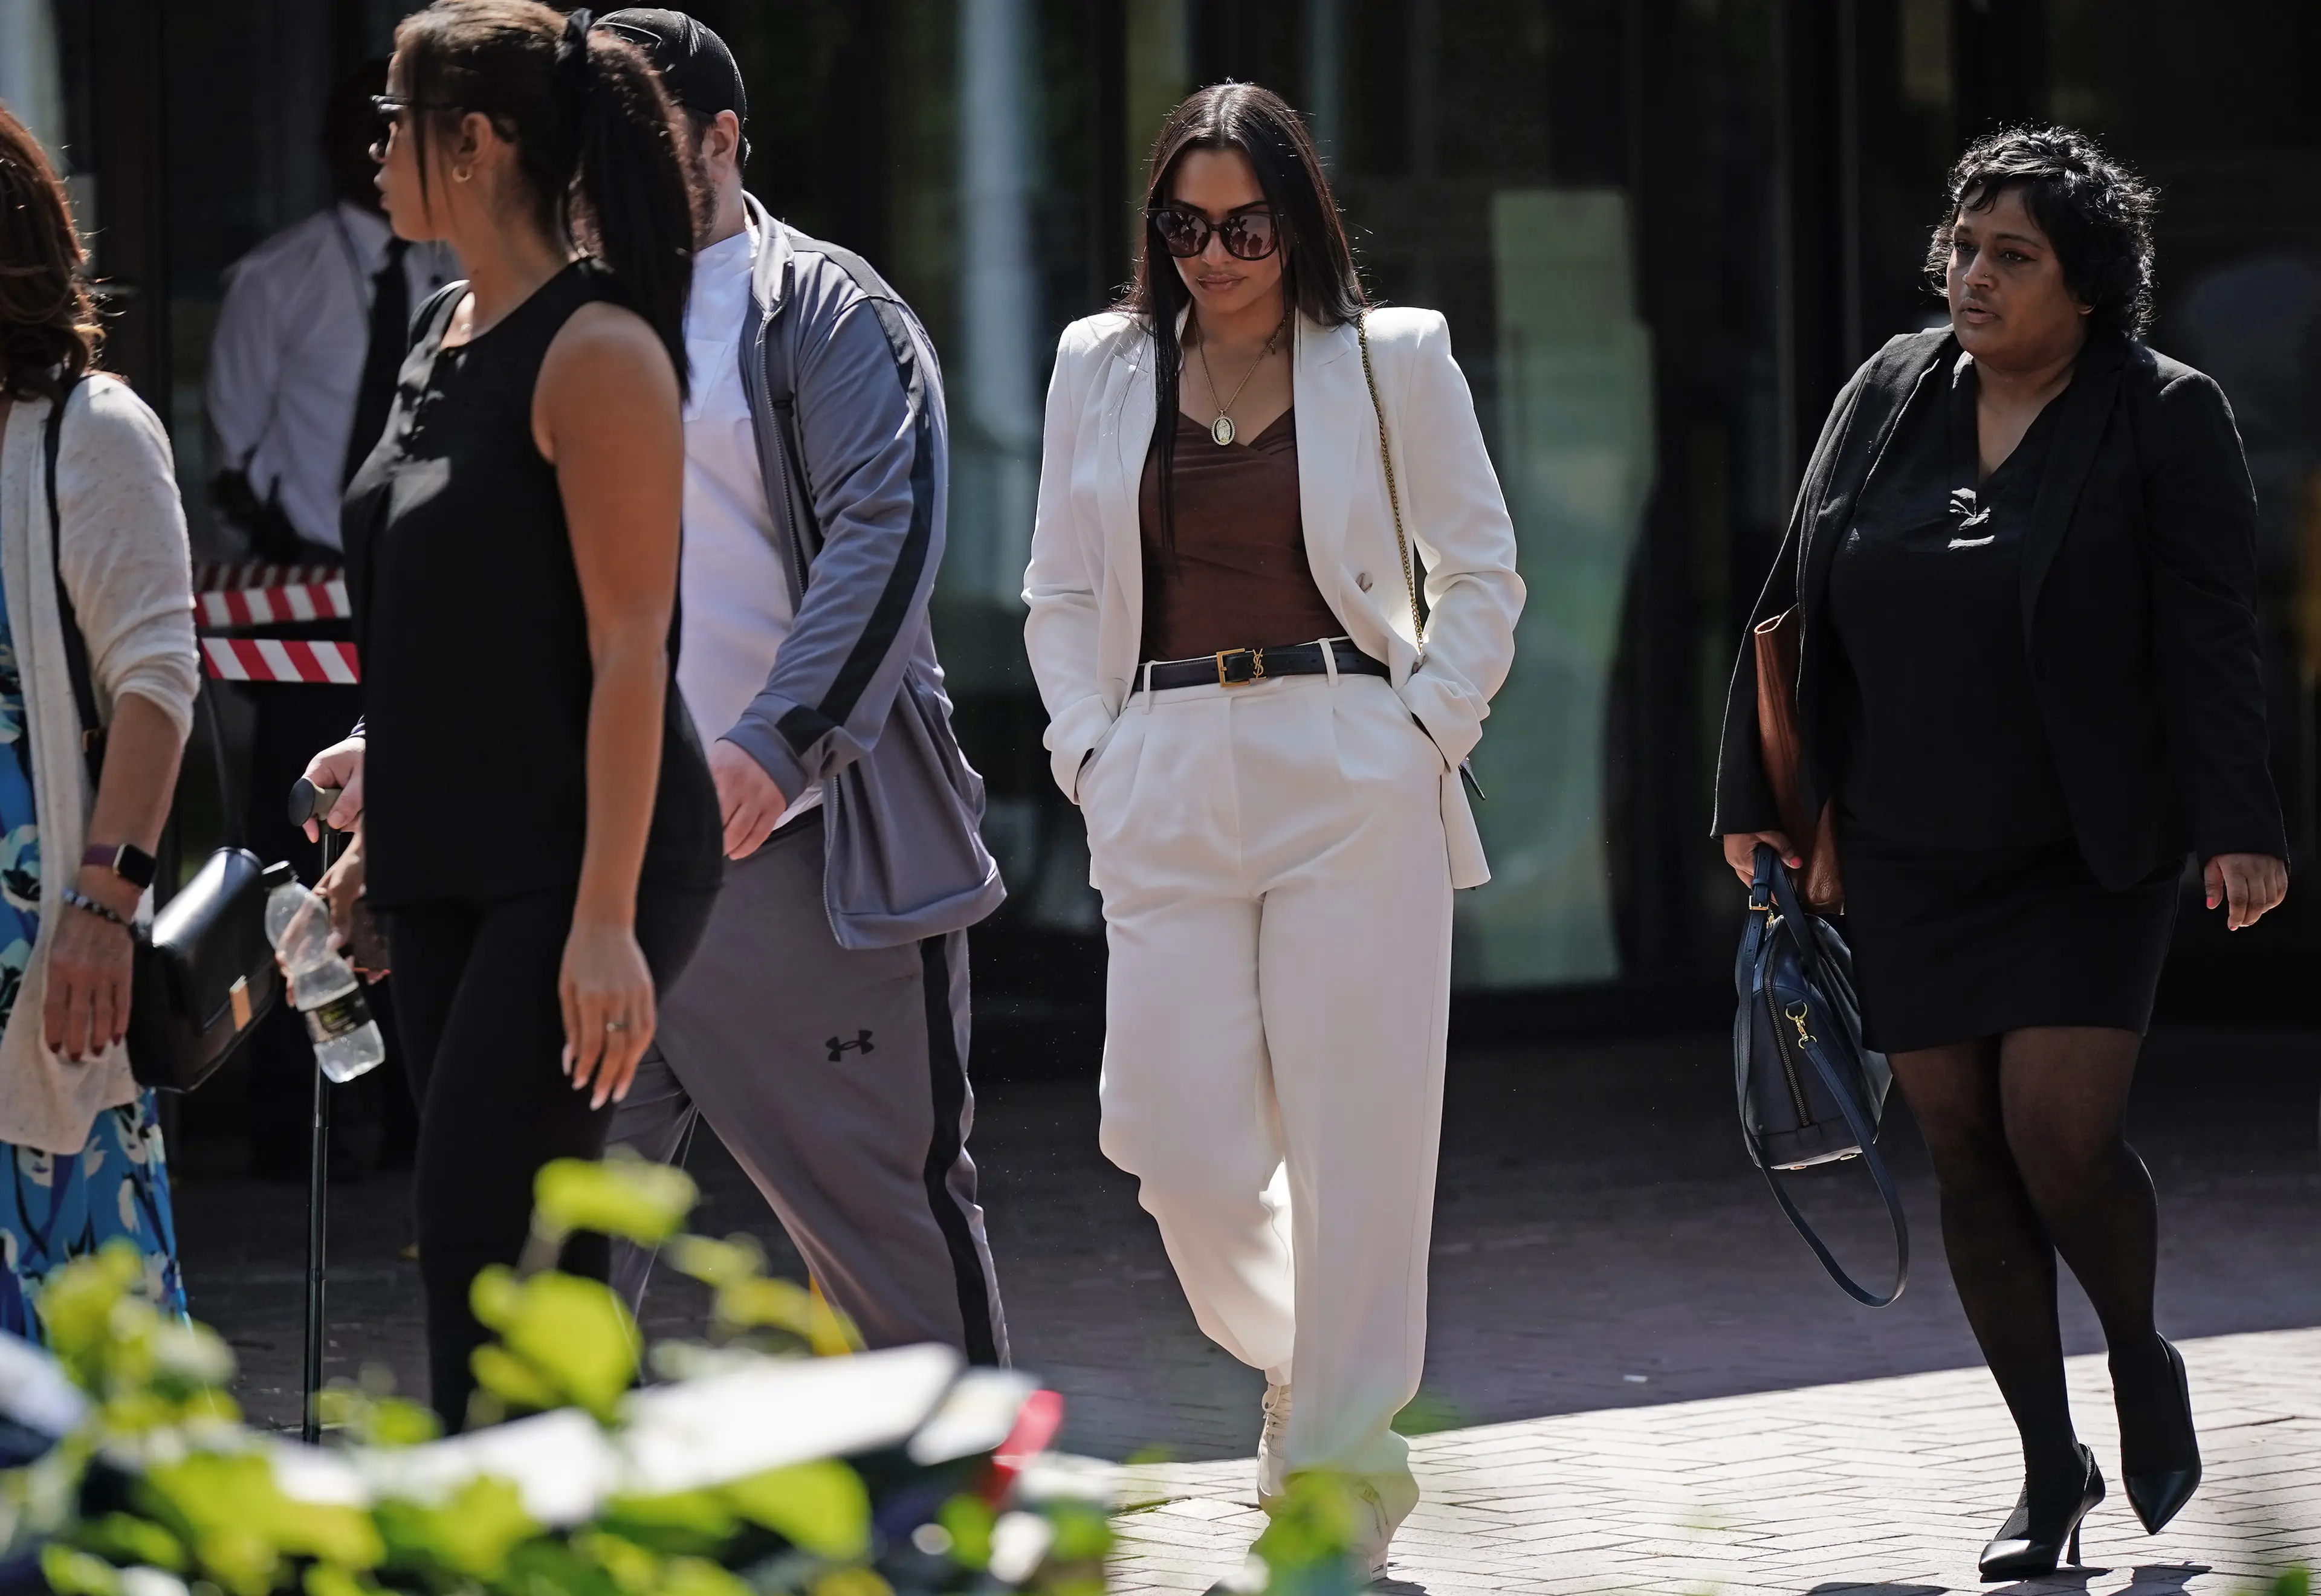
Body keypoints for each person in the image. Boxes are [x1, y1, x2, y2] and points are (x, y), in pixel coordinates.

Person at [1714, 127, 2288, 1578]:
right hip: (1906, 845)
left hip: (2084, 851)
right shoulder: (1891, 392)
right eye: (1963, 248)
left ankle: (2142, 1353)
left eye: (2010, 256)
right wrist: (1756, 796)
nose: (1971, 275)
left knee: (2059, 1142)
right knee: (1968, 1158)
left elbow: (2213, 630)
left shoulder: (2162, 414)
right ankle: (2048, 1468)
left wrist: (2240, 827)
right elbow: (1794, 592)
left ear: (2086, 285)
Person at [1021, 84, 1523, 1578]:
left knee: (1362, 1144)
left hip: (1345, 757)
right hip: (1162, 760)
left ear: (1299, 220)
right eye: (1186, 226)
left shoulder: (1391, 359)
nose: (1216, 254)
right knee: (1166, 1137)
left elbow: (1480, 569)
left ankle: (1341, 1487)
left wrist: (1421, 731)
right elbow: (1057, 590)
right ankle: (1313, 1357)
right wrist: (1088, 752)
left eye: (1245, 225)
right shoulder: (1098, 366)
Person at [306, 0, 724, 1427]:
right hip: (453, 863)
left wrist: (607, 922)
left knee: (485, 1218)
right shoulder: (439, 332)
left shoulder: (597, 349)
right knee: (526, 1245)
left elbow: (627, 652)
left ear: (473, 145)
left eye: (395, 125)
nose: (375, 152)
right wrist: (382, 835)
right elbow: (451, 618)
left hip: (583, 858)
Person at [588, 10, 1011, 1362]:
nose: (603, 177)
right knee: (554, 1247)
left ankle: (958, 1550)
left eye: (639, 141)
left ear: (722, 138)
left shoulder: (824, 311)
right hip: (606, 864)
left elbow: (885, 541)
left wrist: (777, 748)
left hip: (800, 854)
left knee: (882, 1238)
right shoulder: (562, 319)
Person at [205, 60, 453, 1183]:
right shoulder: (280, 280)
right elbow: (236, 457)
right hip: (310, 611)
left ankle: (415, 1104)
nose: (379, 145)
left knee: (430, 843)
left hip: (428, 603)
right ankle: (283, 1109)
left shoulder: (470, 282)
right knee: (294, 849)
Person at [0, 104, 199, 1334]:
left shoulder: (92, 432)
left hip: (49, 952)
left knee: (79, 1336)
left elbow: (156, 686)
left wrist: (101, 909)